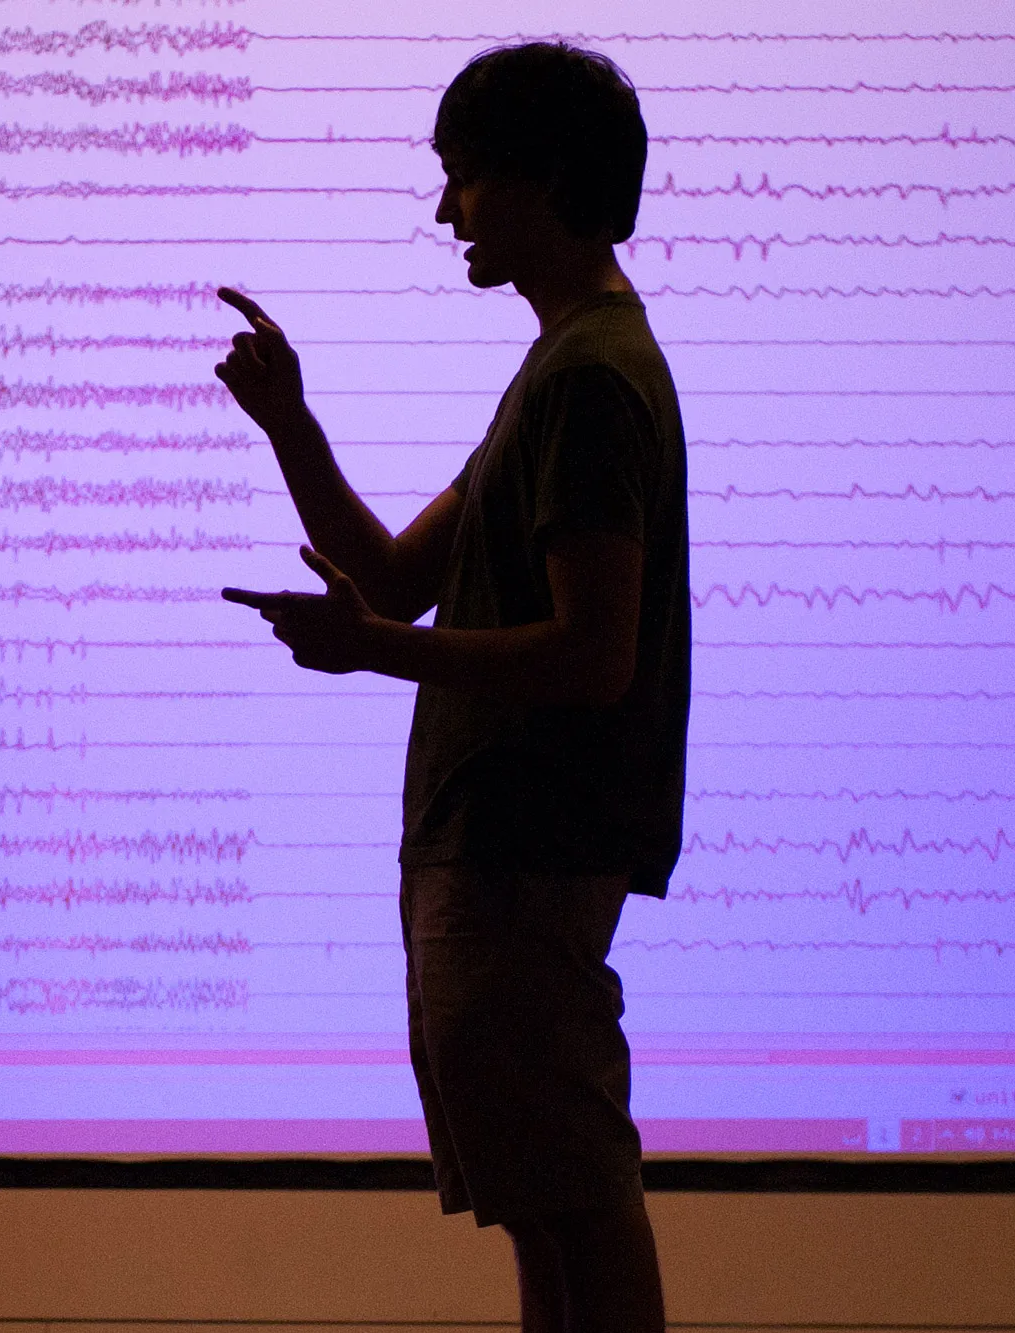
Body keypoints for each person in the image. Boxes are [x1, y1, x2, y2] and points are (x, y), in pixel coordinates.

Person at [218, 43, 687, 1333]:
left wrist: (374, 649)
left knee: (577, 1212)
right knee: (547, 1213)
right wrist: (290, 429)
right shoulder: (560, 366)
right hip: (495, 855)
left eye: (462, 179)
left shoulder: (588, 376)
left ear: (541, 181)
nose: (444, 211)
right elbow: (395, 575)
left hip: (522, 855)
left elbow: (591, 655)